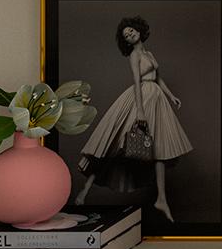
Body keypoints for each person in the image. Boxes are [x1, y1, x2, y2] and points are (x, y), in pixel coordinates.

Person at [77, 15, 192, 222]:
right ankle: (85, 190)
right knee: (115, 147)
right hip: (142, 98)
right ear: (126, 42)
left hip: (156, 98)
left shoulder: (149, 53)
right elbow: (137, 83)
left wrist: (171, 95)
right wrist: (139, 111)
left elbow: (157, 77)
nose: (129, 34)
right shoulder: (134, 56)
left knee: (160, 150)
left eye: (130, 30)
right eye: (126, 35)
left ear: (139, 30)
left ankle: (161, 199)